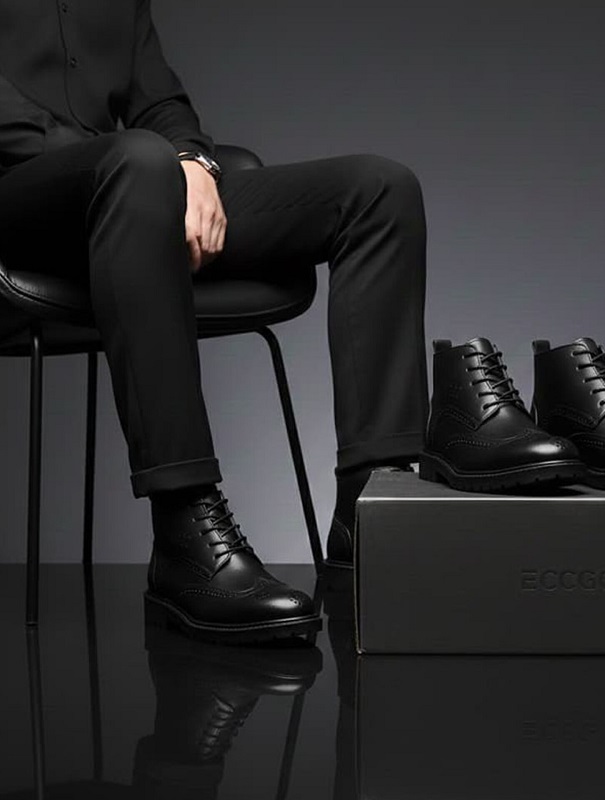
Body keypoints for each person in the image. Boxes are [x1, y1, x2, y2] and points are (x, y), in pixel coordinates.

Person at [0, 0, 429, 643]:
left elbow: (160, 101)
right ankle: (184, 529)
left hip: (133, 190)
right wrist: (140, 163)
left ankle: (371, 514)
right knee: (137, 162)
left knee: (378, 190)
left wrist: (193, 165)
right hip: (23, 199)